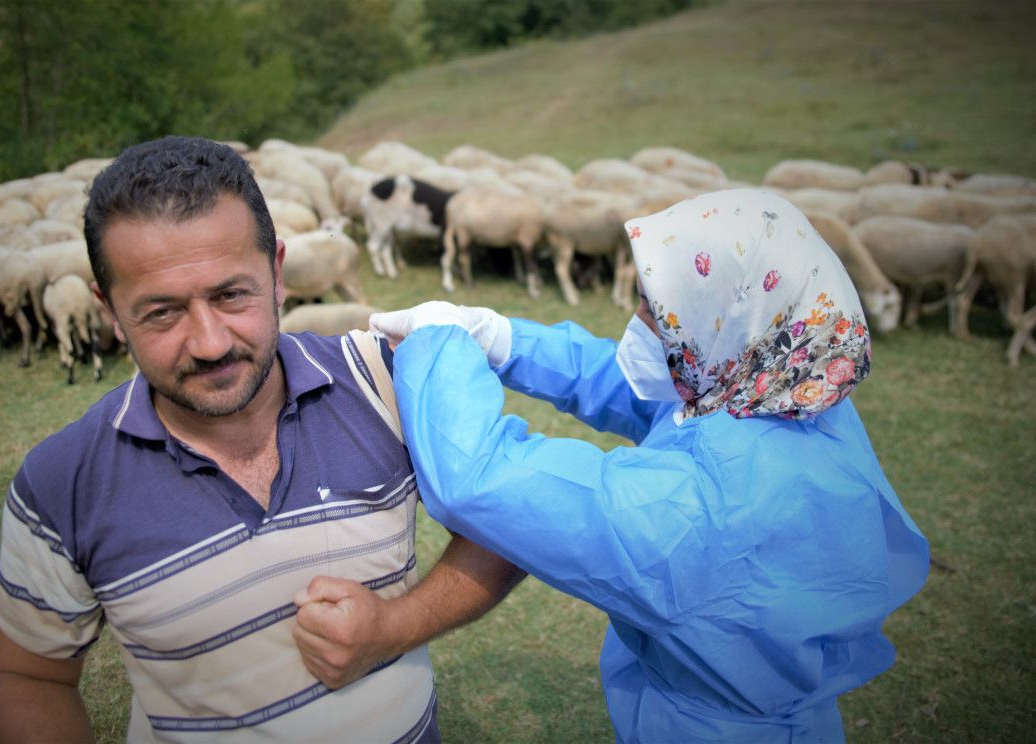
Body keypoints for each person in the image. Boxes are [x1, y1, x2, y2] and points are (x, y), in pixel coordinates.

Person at [0, 136, 522, 743]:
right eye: (161, 312)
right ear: (109, 311)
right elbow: (27, 677)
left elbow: (510, 522)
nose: (210, 343)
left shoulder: (385, 382)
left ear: (279, 272)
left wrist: (397, 625)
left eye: (232, 294)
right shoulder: (64, 484)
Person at [370, 189, 930, 743]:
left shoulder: (696, 510)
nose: (636, 317)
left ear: (725, 317)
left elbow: (481, 483)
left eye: (657, 308)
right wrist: (502, 339)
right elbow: (649, 391)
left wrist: (438, 344)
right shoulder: (790, 390)